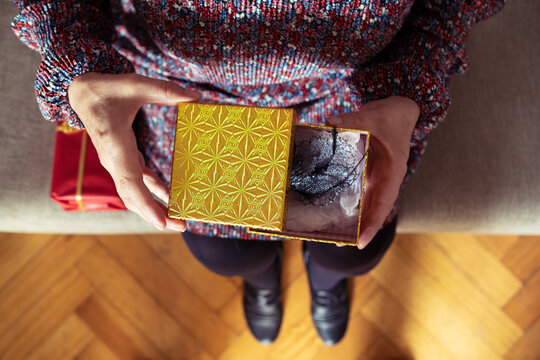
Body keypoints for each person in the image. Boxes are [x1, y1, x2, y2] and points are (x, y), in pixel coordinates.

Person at [11, 0, 503, 346]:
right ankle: (264, 278)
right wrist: (79, 72)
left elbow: (450, 6)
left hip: (357, 93)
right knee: (221, 250)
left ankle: (325, 280)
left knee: (358, 247)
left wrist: (412, 85)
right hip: (183, 95)